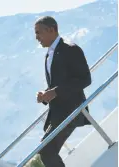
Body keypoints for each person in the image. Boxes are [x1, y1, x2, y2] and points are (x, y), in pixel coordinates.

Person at [35, 16, 92, 167]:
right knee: (46, 150)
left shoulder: (70, 49)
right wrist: (45, 95)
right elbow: (58, 84)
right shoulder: (50, 54)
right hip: (59, 112)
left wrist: (56, 91)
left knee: (46, 150)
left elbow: (85, 79)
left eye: (38, 32)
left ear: (51, 30)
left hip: (72, 110)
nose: (36, 37)